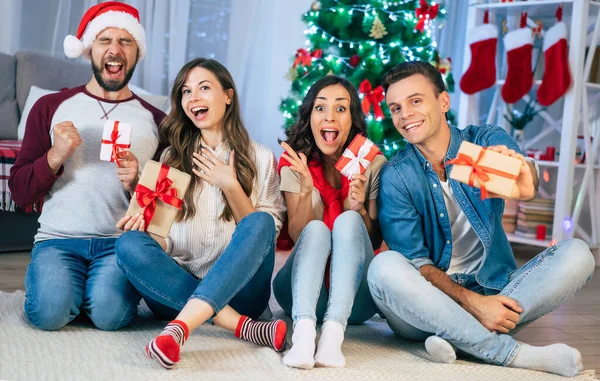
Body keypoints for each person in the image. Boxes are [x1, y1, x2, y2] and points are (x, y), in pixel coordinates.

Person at [368, 61, 595, 377]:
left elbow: (524, 185)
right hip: (427, 304)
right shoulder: (396, 175)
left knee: (577, 254)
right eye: (396, 108)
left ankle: (458, 340)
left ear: (443, 102)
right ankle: (505, 351)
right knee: (383, 268)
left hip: (495, 292)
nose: (404, 114)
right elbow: (420, 265)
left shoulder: (481, 142)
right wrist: (472, 304)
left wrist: (522, 174)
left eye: (415, 101)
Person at [114, 57, 287, 369]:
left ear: (228, 96)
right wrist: (149, 237)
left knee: (259, 219)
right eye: (185, 91)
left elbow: (265, 237)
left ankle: (181, 328)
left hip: (241, 292)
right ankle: (243, 327)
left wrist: (230, 185)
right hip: (174, 287)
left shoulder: (260, 157)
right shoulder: (170, 157)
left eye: (204, 88)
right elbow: (162, 239)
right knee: (127, 244)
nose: (193, 98)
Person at [9, 2, 164, 331]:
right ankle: (63, 288)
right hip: (57, 240)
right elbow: (20, 191)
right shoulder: (51, 106)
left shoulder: (156, 119)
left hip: (119, 245)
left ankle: (85, 294)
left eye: (126, 41)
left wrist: (137, 182)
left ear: (137, 54)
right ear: (89, 49)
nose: (115, 49)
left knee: (111, 317)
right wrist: (55, 155)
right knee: (49, 314)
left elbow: (168, 207)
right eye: (105, 40)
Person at [272, 75, 386, 369]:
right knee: (317, 228)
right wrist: (307, 191)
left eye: (341, 108)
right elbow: (298, 235)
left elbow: (372, 242)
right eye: (320, 108)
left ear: (353, 118)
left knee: (348, 219)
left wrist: (359, 210)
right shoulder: (292, 162)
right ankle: (304, 334)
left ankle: (333, 336)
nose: (329, 116)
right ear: (310, 115)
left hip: (354, 304)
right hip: (299, 293)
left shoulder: (372, 163)